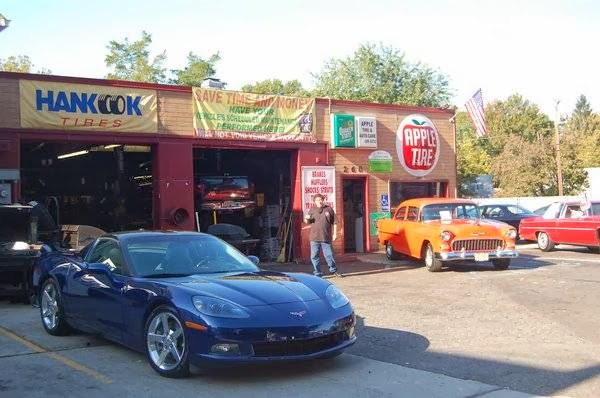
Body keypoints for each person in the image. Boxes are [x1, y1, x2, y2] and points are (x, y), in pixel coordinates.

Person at [303, 194, 342, 278]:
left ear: (323, 200)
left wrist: (335, 233)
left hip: (326, 236)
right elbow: (307, 221)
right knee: (314, 256)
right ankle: (318, 273)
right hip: (314, 237)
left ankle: (333, 270)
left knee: (329, 255)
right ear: (314, 201)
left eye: (320, 199)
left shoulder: (329, 209)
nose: (319, 201)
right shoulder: (312, 210)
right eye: (317, 200)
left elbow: (335, 222)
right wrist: (306, 218)